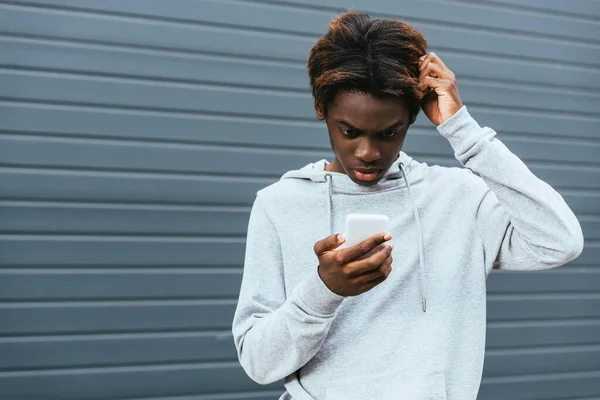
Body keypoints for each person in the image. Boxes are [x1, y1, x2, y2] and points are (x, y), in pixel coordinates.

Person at [231, 10, 584, 400]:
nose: (368, 152)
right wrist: (323, 290)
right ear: (321, 109)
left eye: (389, 132)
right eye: (349, 131)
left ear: (412, 118)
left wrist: (463, 130)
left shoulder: (458, 198)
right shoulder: (279, 204)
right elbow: (259, 364)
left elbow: (560, 241)